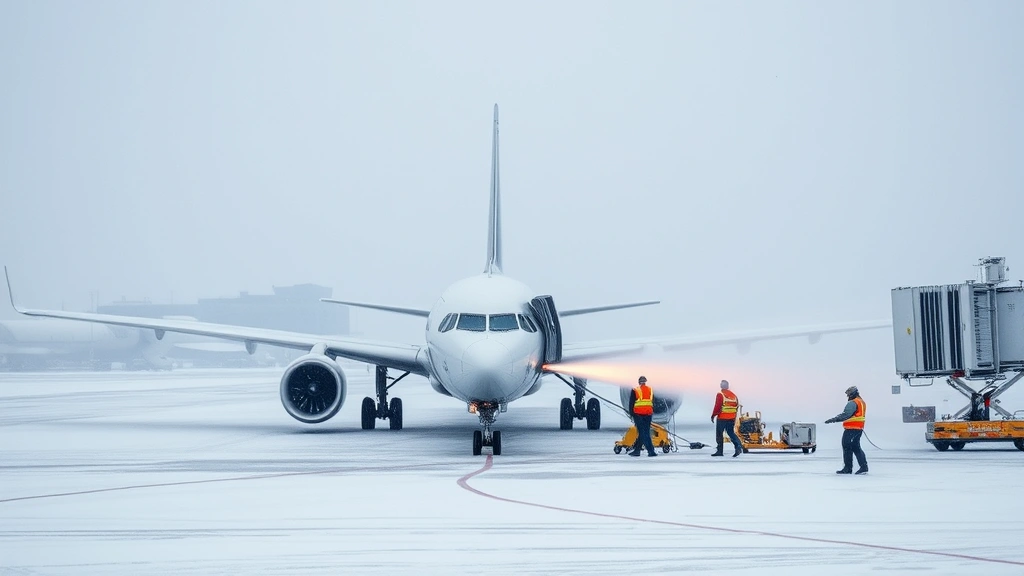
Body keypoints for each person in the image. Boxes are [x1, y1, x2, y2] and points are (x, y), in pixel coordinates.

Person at [825, 386, 868, 475]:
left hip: (851, 429)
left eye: (848, 394)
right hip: (858, 429)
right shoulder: (861, 402)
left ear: (852, 394)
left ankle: (848, 468)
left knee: (847, 447)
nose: (848, 396)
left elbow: (846, 415)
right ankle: (863, 466)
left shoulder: (853, 403)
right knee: (856, 447)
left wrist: (833, 419)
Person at [711, 379, 742, 457]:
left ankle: (720, 451)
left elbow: (717, 406)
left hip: (722, 417)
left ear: (721, 386)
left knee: (719, 434)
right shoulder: (734, 395)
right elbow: (736, 406)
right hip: (731, 418)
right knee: (731, 432)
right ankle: (738, 446)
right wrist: (734, 417)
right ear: (728, 386)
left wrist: (713, 415)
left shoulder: (720, 394)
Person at [628, 376, 657, 457]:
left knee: (643, 433)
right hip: (648, 414)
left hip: (638, 414)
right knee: (644, 432)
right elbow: (652, 402)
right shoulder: (650, 390)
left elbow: (631, 403)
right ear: (645, 382)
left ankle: (651, 451)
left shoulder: (635, 390)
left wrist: (631, 414)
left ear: (638, 382)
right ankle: (637, 450)